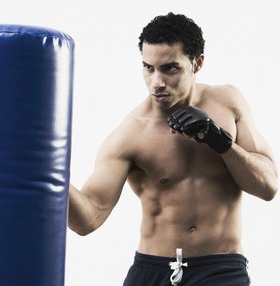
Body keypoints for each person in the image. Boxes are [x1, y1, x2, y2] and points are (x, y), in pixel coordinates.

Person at [68, 12, 278, 286]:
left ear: (197, 62)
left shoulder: (228, 103)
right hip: (151, 271)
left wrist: (221, 142)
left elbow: (268, 187)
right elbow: (89, 219)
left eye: (170, 68)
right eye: (148, 68)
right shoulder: (131, 133)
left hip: (220, 269)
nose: (156, 82)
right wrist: (50, 173)